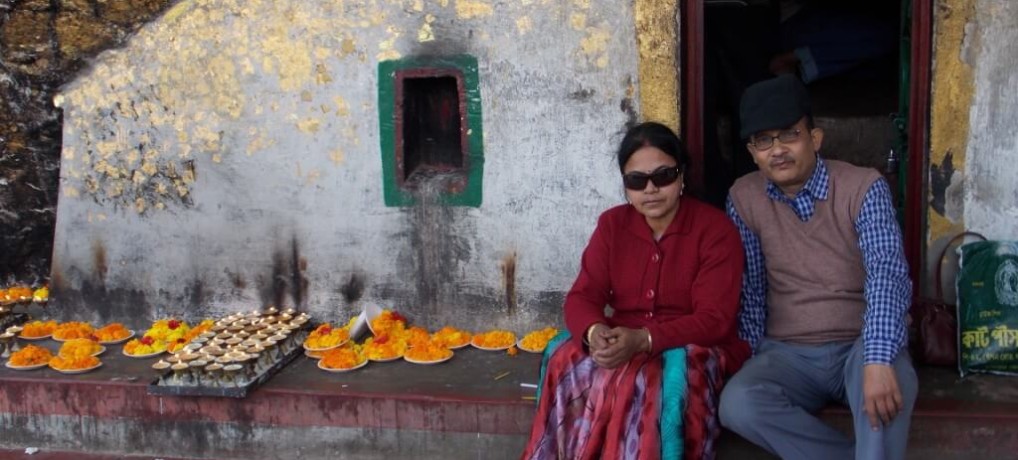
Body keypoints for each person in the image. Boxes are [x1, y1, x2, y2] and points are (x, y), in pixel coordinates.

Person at [521, 122, 750, 459]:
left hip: (693, 346)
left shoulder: (715, 230)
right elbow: (583, 295)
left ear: (682, 174)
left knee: (648, 381)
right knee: (565, 357)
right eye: (637, 181)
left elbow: (713, 320)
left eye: (664, 176)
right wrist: (595, 331)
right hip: (623, 334)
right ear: (626, 186)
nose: (651, 189)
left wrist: (643, 340)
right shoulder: (613, 225)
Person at [719, 75, 917, 459]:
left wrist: (877, 358)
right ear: (752, 151)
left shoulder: (862, 187)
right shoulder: (744, 197)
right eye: (764, 140)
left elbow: (887, 274)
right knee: (738, 403)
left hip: (858, 343)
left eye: (789, 135)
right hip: (787, 353)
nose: (777, 150)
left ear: (815, 138)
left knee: (888, 392)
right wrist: (751, 356)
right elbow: (753, 291)